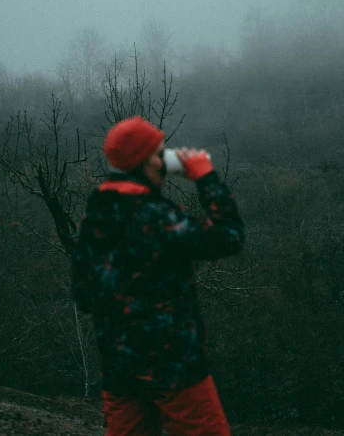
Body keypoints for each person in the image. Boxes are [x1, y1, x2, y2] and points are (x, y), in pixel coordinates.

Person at [71, 116, 245, 436]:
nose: (165, 163)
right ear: (143, 162)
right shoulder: (157, 216)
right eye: (160, 154)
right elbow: (229, 235)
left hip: (119, 367)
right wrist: (205, 177)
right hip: (173, 364)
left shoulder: (95, 213)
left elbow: (83, 294)